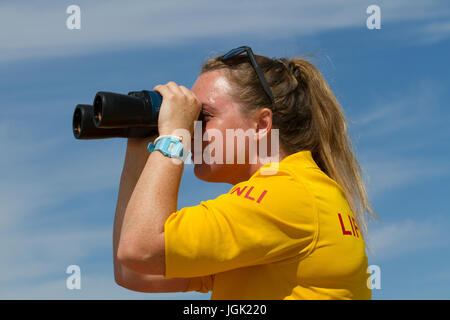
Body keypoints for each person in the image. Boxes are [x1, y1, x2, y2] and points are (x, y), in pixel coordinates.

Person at [113, 46, 377, 299]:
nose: (191, 130)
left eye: (202, 117)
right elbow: (133, 272)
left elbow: (140, 248)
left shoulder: (288, 193)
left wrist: (172, 137)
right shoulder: (295, 197)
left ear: (262, 125)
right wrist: (139, 141)